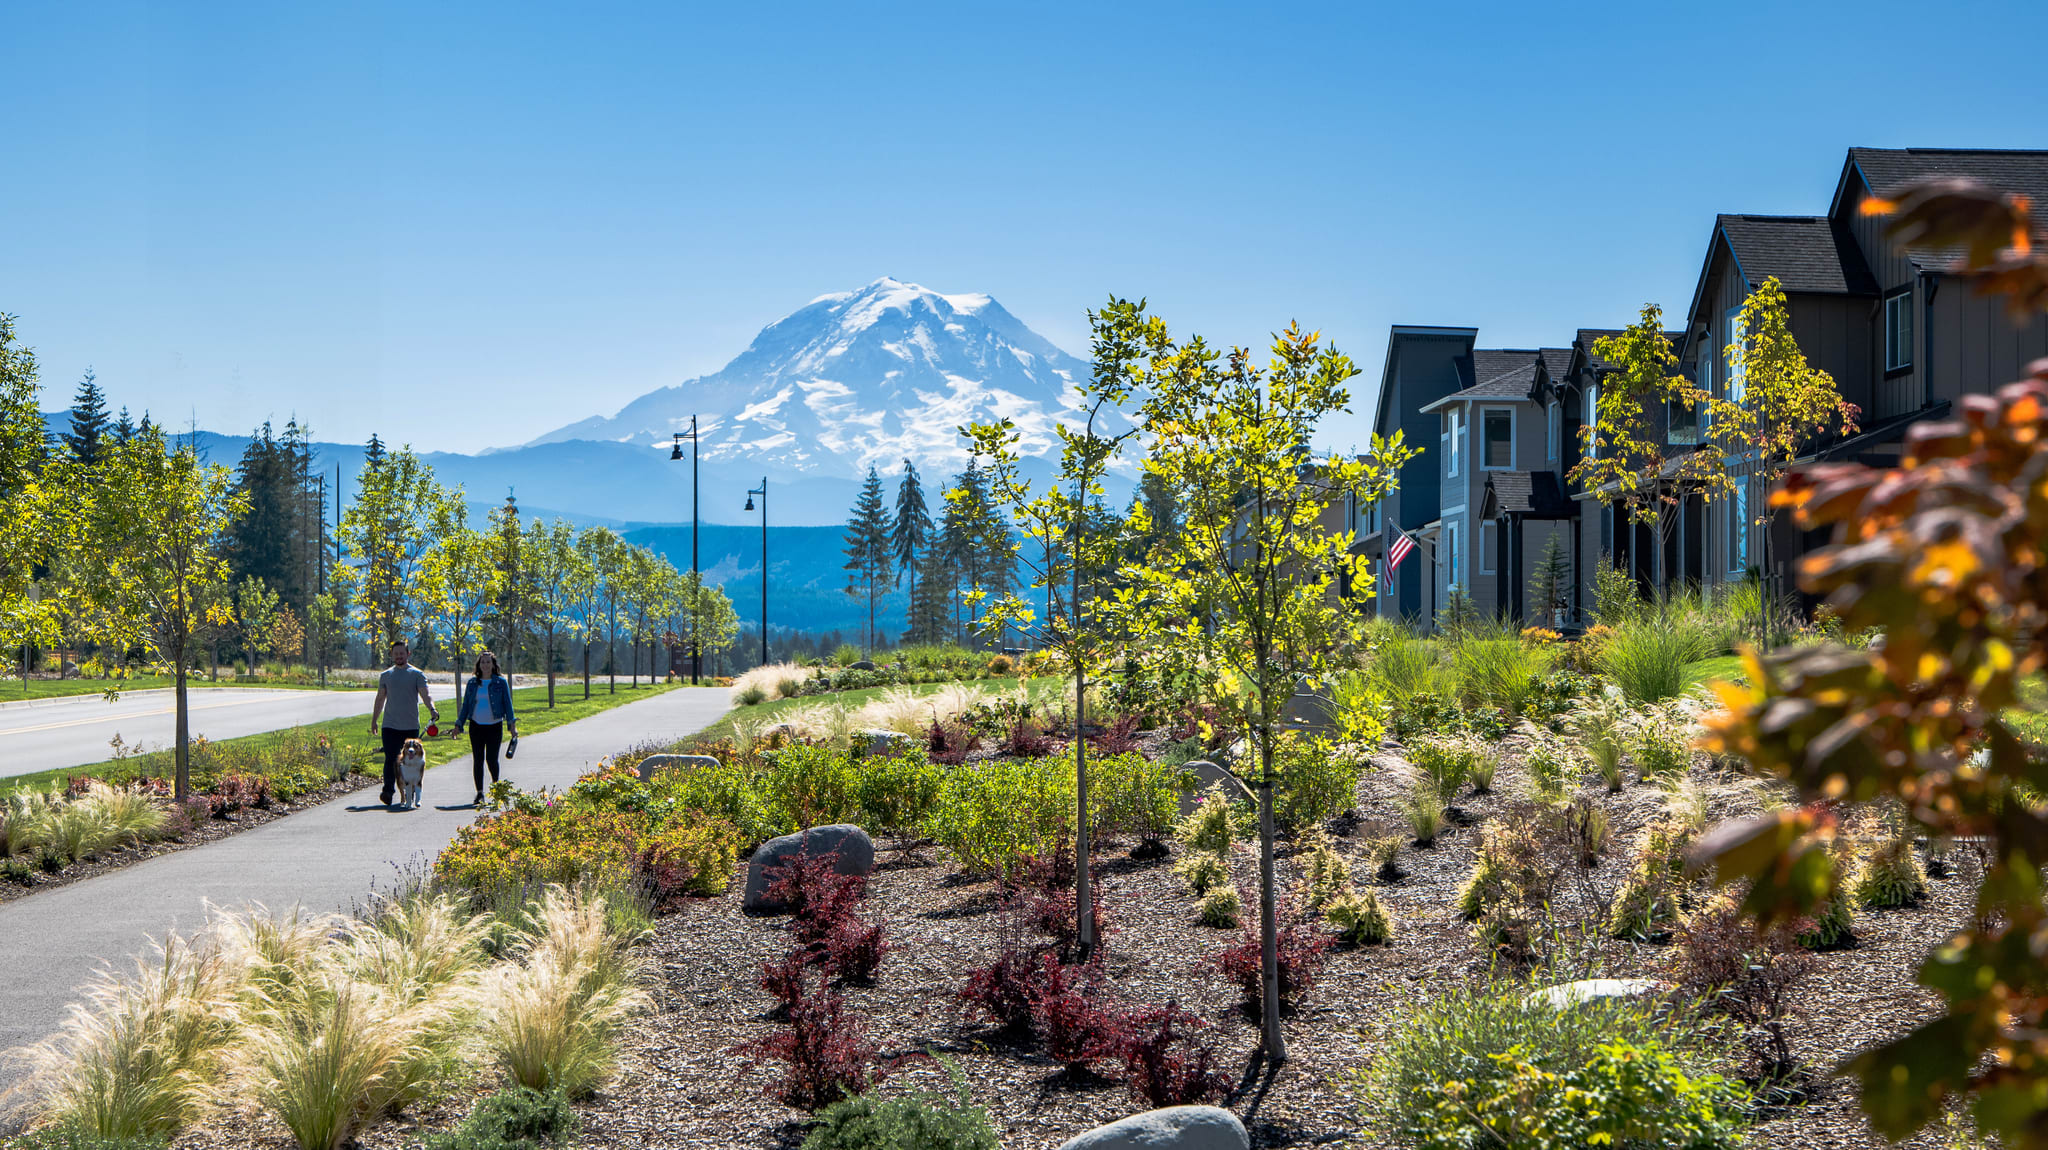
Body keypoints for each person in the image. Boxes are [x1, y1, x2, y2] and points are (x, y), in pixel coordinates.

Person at [368, 640, 438, 809]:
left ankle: (411, 790)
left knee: (409, 761)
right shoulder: (386, 675)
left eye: (402, 653)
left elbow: (425, 695)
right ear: (391, 654)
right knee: (391, 759)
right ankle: (388, 791)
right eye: (396, 653)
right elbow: (380, 699)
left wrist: (432, 709)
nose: (399, 656)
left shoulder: (417, 674)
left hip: (410, 725)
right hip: (390, 725)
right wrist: (374, 720)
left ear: (408, 654)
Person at [452, 650, 518, 806]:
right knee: (478, 759)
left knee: (492, 759)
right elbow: (466, 705)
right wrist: (458, 724)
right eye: (483, 662)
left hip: (494, 725)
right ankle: (480, 793)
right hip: (476, 726)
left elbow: (508, 705)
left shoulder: (500, 683)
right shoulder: (473, 683)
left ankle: (496, 788)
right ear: (478, 665)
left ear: (493, 665)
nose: (486, 665)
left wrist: (512, 725)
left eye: (488, 662)